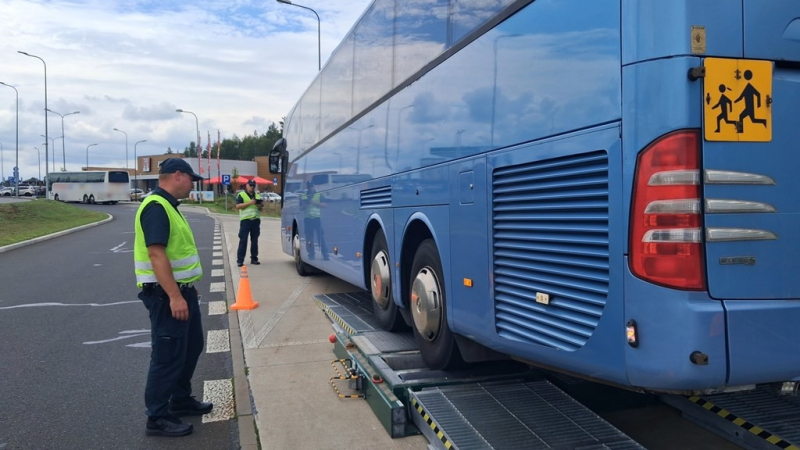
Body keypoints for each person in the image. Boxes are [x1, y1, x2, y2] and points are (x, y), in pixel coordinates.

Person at [133, 158, 213, 438]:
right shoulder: (156, 207)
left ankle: (180, 399)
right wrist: (175, 296)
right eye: (191, 179)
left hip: (181, 291)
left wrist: (188, 287)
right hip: (165, 296)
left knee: (191, 346)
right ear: (177, 175)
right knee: (167, 355)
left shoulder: (169, 206)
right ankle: (157, 416)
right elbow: (157, 254)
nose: (193, 185)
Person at [235, 179, 263, 267]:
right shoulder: (241, 195)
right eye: (250, 185)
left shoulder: (257, 195)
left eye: (253, 185)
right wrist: (250, 202)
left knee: (254, 241)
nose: (252, 187)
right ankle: (240, 260)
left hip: (255, 220)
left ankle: (254, 258)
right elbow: (238, 206)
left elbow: (261, 207)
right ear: (246, 185)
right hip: (245, 221)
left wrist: (259, 205)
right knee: (243, 240)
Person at [301, 180, 328, 260]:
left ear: (313, 186)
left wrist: (314, 202)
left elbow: (324, 205)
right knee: (309, 238)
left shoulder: (319, 195)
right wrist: (307, 203)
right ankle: (311, 254)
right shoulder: (304, 195)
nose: (310, 188)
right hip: (308, 219)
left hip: (317, 219)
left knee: (321, 237)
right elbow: (302, 207)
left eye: (311, 186)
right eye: (309, 186)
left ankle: (325, 255)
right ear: (307, 187)